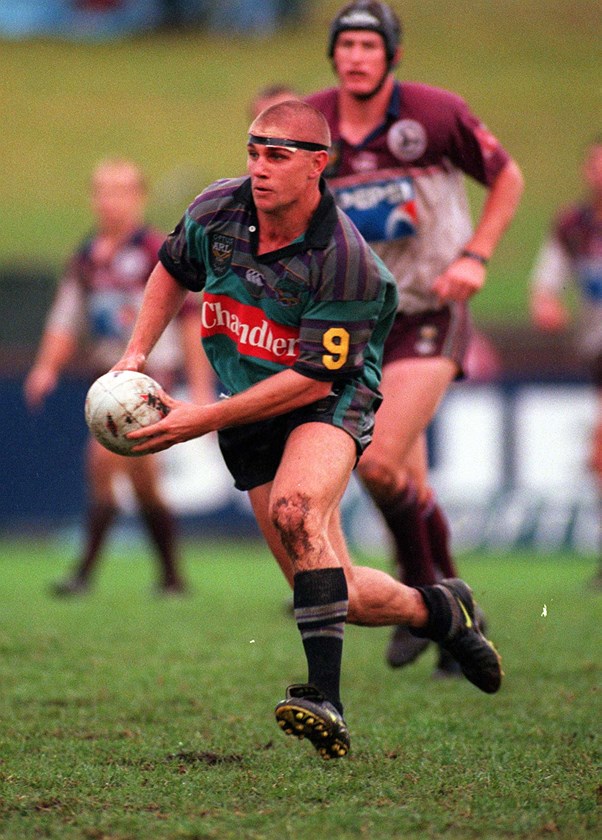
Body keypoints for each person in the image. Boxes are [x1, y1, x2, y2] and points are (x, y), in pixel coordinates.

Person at [109, 100, 503, 760]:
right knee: (328, 588)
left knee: (297, 511)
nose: (259, 169)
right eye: (254, 153)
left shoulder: (343, 258)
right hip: (250, 403)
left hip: (327, 399)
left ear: (317, 166)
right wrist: (134, 354)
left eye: (278, 156)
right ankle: (440, 610)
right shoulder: (217, 210)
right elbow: (172, 271)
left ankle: (325, 699)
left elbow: (314, 381)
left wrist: (199, 420)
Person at [306, 1, 524, 676]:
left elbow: (507, 177)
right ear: (335, 56)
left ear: (393, 56)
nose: (357, 56)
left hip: (430, 310)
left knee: (377, 464)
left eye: (371, 45)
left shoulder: (434, 114)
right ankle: (455, 614)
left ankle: (429, 602)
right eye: (347, 45)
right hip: (359, 321)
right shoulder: (316, 123)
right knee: (402, 476)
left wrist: (477, 254)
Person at [24, 158, 212, 596]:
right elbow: (65, 320)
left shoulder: (156, 251)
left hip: (149, 381)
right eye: (103, 191)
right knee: (143, 483)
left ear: (139, 197)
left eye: (121, 191)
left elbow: (189, 321)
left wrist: (200, 387)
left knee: (103, 461)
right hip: (106, 379)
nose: (110, 201)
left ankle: (83, 574)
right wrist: (45, 368)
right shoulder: (87, 257)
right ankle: (171, 578)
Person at [530, 137, 602, 587]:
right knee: (598, 459)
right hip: (597, 352)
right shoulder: (574, 226)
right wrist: (547, 304)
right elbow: (546, 287)